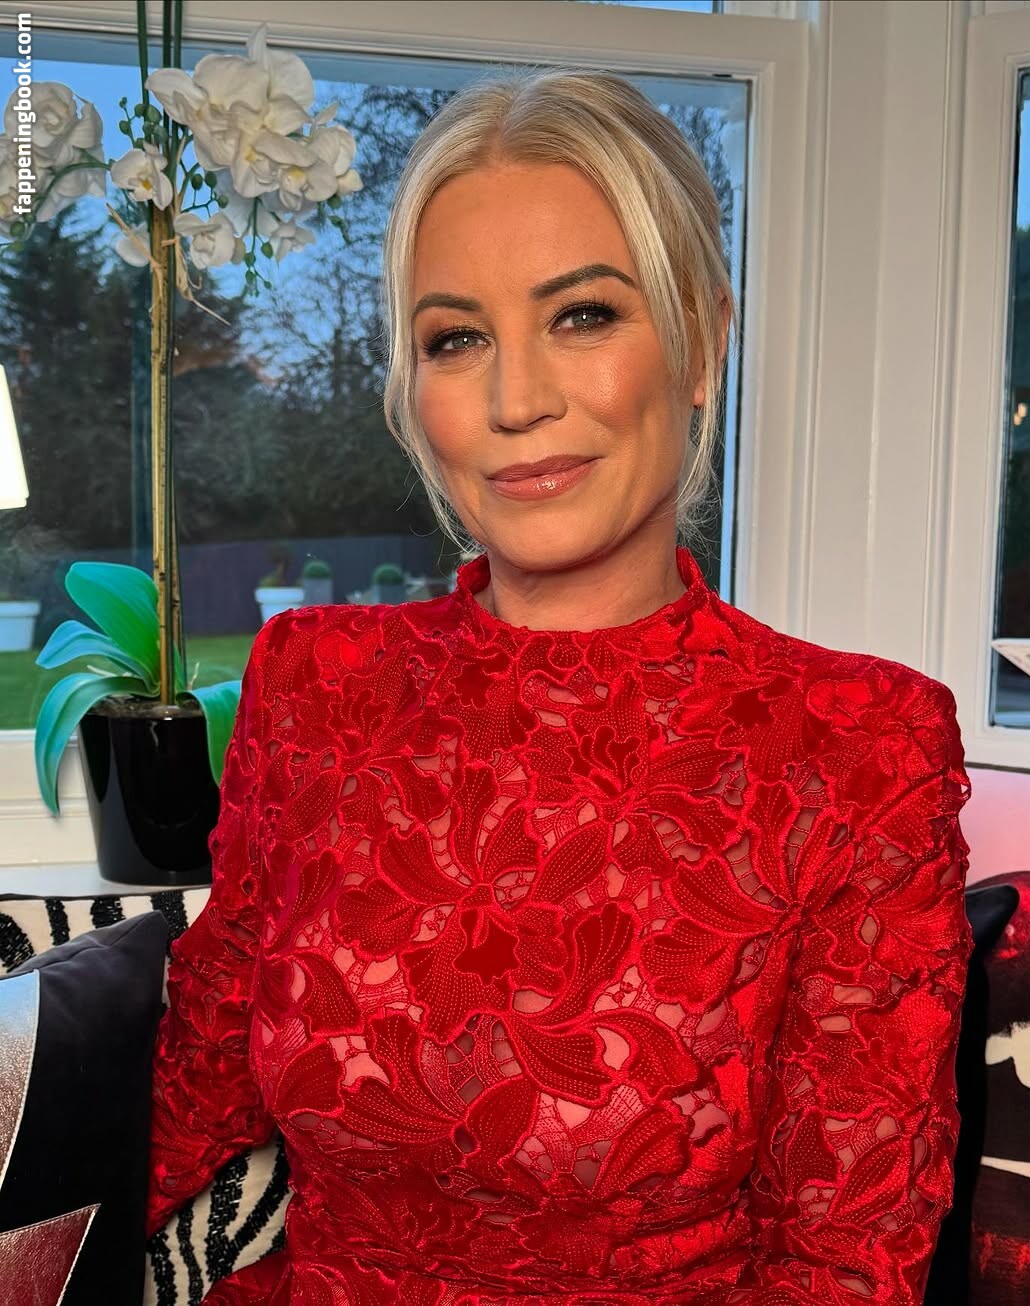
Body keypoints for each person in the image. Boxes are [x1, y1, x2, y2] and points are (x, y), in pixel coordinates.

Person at [146, 67, 973, 1305]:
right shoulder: (315, 681)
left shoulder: (859, 746)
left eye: (582, 315)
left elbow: (843, 1265)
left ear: (702, 343)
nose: (517, 399)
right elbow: (199, 1071)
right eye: (456, 337)